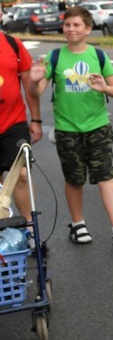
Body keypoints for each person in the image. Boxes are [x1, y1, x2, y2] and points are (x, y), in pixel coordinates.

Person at [28, 6, 113, 248]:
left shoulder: (98, 56)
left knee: (106, 175)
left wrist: (105, 89)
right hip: (67, 129)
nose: (71, 29)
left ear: (88, 29)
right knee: (74, 178)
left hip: (98, 125)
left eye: (77, 25)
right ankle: (78, 225)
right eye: (67, 25)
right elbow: (37, 92)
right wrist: (35, 81)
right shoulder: (54, 57)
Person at [0, 32, 43, 221]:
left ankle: (29, 228)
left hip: (13, 122)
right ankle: (3, 228)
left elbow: (28, 86)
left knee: (22, 175)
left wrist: (36, 120)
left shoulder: (12, 44)